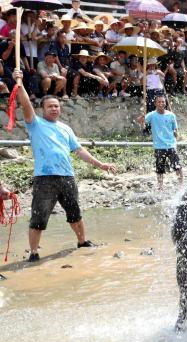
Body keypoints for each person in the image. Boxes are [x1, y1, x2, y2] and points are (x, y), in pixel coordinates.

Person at [12, 69, 117, 263]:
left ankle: (82, 242)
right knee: (38, 217)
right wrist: (20, 84)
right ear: (43, 109)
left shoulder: (65, 128)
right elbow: (26, 104)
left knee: (75, 212)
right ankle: (34, 253)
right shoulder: (35, 123)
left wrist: (100, 164)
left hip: (67, 176)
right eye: (50, 106)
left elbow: (79, 150)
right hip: (44, 178)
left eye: (56, 106)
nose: (54, 109)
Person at [140, 95, 182, 190]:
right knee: (160, 169)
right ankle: (160, 187)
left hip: (171, 145)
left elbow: (175, 129)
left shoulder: (171, 115)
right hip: (159, 146)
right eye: (159, 102)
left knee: (178, 166)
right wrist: (142, 117)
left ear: (165, 103)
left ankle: (181, 185)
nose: (161, 104)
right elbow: (140, 122)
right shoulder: (151, 115)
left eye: (163, 102)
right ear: (155, 104)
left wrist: (176, 134)